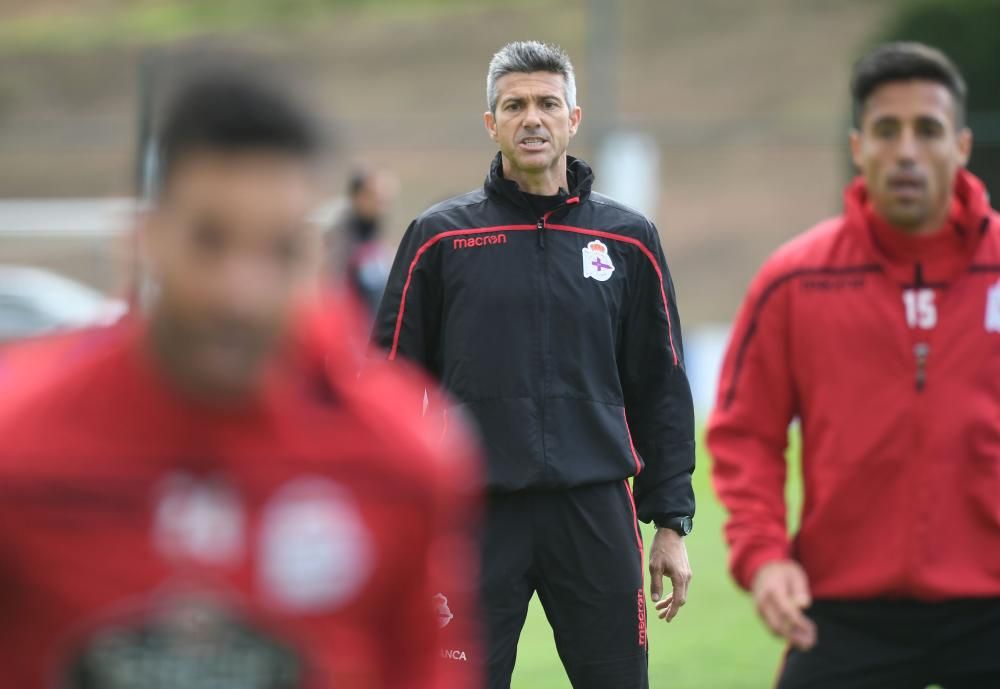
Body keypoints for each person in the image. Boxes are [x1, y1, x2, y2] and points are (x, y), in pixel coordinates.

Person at [0, 70, 480, 689]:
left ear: (314, 260)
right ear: (144, 242)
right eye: (210, 241)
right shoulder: (20, 451)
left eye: (277, 251)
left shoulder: (404, 463)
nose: (241, 293)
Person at [373, 40, 695, 689]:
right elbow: (385, 384)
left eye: (548, 103)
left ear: (574, 118)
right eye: (514, 105)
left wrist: (671, 521)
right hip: (474, 513)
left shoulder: (628, 240)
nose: (533, 118)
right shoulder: (441, 237)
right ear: (491, 124)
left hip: (595, 513)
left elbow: (659, 385)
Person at [708, 42, 1000, 689]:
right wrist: (763, 556)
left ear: (962, 146)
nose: (905, 151)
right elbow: (744, 433)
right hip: (846, 608)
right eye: (886, 130)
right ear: (858, 145)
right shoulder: (795, 281)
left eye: (927, 130)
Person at [326, 167, 397, 319]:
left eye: (385, 199)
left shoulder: (377, 232)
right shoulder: (338, 233)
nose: (381, 204)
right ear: (356, 196)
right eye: (374, 196)